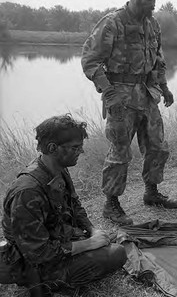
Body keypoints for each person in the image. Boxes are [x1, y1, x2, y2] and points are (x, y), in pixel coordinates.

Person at [81, 0, 177, 226]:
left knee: (158, 146)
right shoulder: (112, 22)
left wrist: (164, 87)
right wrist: (107, 90)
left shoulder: (152, 24)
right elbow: (90, 60)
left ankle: (151, 192)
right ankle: (111, 205)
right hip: (121, 98)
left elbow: (158, 61)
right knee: (120, 151)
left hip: (148, 95)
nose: (153, 4)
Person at [0, 115, 127, 297]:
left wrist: (92, 230)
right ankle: (46, 285)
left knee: (112, 237)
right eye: (75, 147)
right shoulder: (27, 192)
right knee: (117, 253)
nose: (81, 152)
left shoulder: (58, 169)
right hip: (33, 265)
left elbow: (74, 205)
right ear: (53, 148)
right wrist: (89, 243)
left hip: (57, 239)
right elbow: (38, 253)